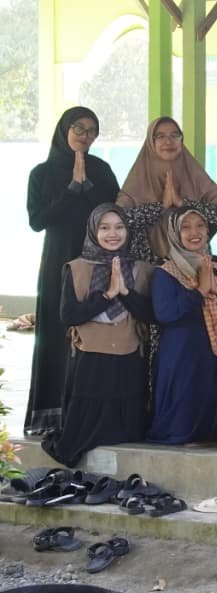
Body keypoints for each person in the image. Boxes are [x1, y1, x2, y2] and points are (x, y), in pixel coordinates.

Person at [25, 106, 120, 435]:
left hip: (95, 262)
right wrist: (71, 189)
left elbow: (113, 214)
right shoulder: (41, 173)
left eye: (91, 130)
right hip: (57, 263)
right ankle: (52, 414)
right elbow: (37, 221)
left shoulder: (102, 170)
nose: (84, 135)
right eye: (78, 127)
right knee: (56, 333)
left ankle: (90, 413)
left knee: (94, 334)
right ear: (64, 129)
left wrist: (88, 186)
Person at [41, 205, 154, 466]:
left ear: (128, 230)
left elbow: (150, 315)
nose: (112, 234)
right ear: (93, 231)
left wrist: (125, 292)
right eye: (104, 228)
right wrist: (107, 295)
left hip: (128, 352)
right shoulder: (76, 268)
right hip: (90, 352)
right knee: (82, 424)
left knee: (128, 428)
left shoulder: (141, 269)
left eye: (119, 227)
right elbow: (69, 316)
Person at [147, 207, 217, 445]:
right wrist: (200, 291)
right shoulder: (165, 272)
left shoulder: (215, 266)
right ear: (174, 234)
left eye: (200, 225)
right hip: (180, 352)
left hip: (209, 349)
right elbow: (166, 313)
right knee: (181, 414)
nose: (195, 232)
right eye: (186, 227)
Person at [117, 116, 217, 264]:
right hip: (148, 267)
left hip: (195, 266)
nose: (168, 141)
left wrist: (182, 203)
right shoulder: (138, 178)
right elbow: (120, 221)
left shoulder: (194, 174)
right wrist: (161, 206)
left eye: (174, 135)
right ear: (151, 142)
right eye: (160, 136)